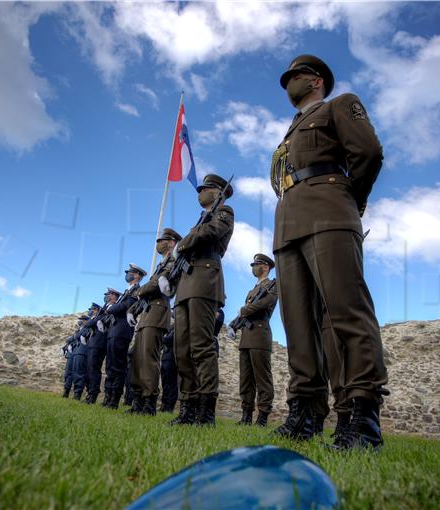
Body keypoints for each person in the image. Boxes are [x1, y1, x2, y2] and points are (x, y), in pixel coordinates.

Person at [270, 54, 388, 450]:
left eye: (296, 75)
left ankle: (360, 413)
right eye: (287, 77)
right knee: (299, 326)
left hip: (329, 212)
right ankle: (305, 412)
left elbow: (368, 153)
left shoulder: (340, 105)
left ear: (316, 80)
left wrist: (349, 200)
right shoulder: (289, 133)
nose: (289, 82)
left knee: (345, 313)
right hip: (288, 224)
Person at [162, 174, 234, 426]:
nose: (200, 191)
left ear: (218, 192)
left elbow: (213, 233)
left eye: (205, 188)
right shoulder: (202, 219)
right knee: (182, 349)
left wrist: (182, 244)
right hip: (185, 285)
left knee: (202, 347)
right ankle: (188, 408)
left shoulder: (224, 212)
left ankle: (205, 412)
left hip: (205, 280)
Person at [127, 228, 181, 415]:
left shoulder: (173, 261)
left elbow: (156, 284)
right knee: (137, 357)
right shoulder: (162, 263)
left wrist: (141, 291)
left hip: (158, 313)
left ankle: (149, 403)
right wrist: (134, 310)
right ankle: (137, 400)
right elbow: (153, 283)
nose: (159, 242)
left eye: (163, 239)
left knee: (149, 359)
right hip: (147, 314)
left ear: (172, 242)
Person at [233, 253, 277, 427]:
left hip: (260, 335)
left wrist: (244, 310)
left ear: (265, 267)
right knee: (246, 379)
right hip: (246, 336)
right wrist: (234, 325)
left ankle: (263, 417)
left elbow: (266, 303)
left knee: (262, 378)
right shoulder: (252, 290)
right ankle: (246, 415)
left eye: (257, 264)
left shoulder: (272, 285)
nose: (254, 267)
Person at [102, 265, 146, 409]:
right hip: (114, 331)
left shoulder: (136, 291)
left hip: (122, 331)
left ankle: (114, 399)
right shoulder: (127, 291)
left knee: (118, 366)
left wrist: (110, 308)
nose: (128, 275)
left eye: (131, 273)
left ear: (138, 276)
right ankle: (107, 396)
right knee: (110, 365)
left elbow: (126, 306)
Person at [84, 293, 117, 404]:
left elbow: (90, 323)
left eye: (109, 294)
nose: (107, 296)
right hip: (94, 344)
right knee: (90, 369)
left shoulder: (105, 312)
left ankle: (93, 394)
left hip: (99, 344)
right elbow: (89, 323)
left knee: (94, 369)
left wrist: (94, 320)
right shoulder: (103, 312)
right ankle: (90, 393)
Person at [159, 321, 178, 413]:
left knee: (171, 383)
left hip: (172, 358)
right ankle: (164, 404)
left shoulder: (178, 327)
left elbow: (169, 339)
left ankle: (169, 406)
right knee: (165, 382)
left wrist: (159, 337)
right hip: (166, 357)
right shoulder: (172, 328)